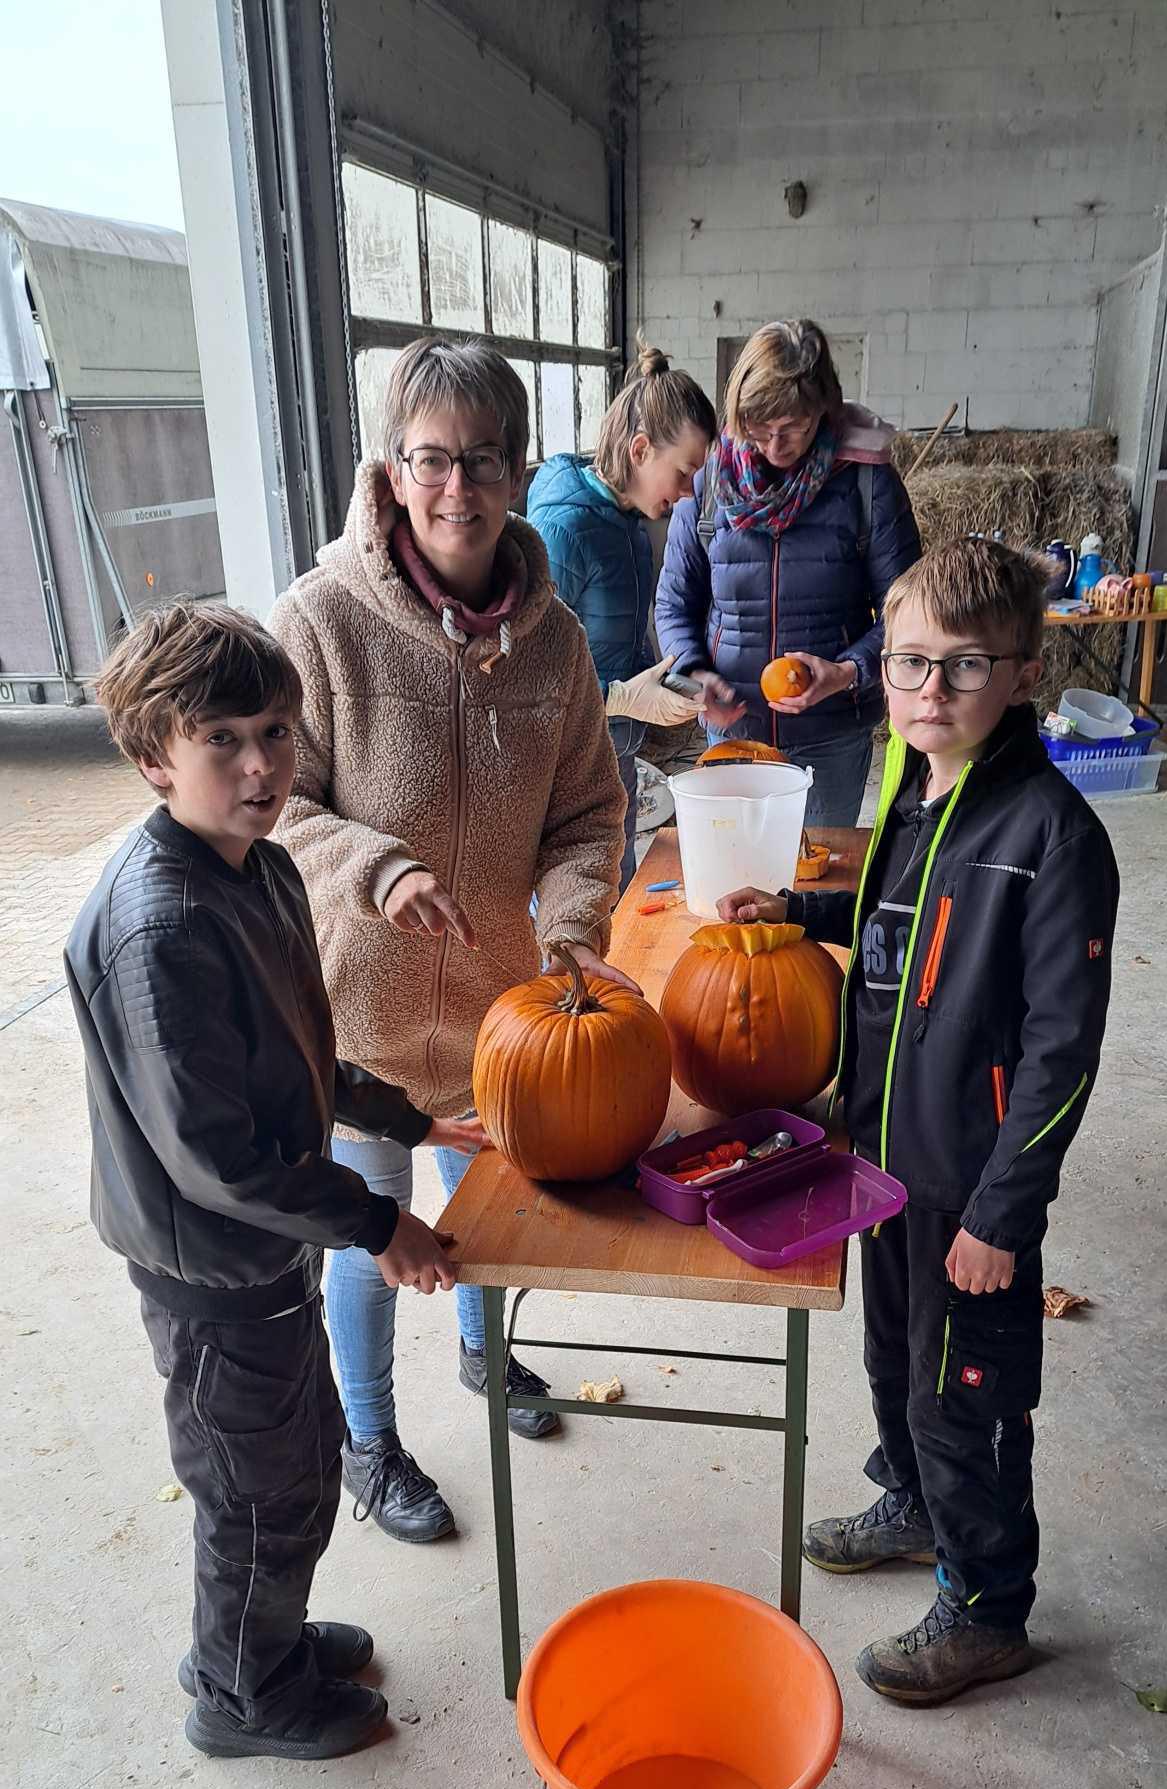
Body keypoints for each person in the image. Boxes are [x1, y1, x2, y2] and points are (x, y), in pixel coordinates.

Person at [716, 540, 1119, 1705]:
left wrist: (1004, 1213)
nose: (929, 691)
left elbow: (1062, 1051)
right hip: (887, 1160)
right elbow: (898, 913)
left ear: (1025, 674)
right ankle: (910, 1500)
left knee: (970, 1397)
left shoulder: (1053, 839)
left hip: (972, 1187)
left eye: (962, 667)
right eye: (907, 665)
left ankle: (988, 1605)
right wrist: (799, 910)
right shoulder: (911, 786)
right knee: (894, 1359)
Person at [64, 602, 468, 1761]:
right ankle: (242, 1697)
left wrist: (404, 1114)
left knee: (289, 1464)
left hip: (261, 1252)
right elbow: (218, 1156)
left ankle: (258, 1641)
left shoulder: (260, 868)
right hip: (211, 1270)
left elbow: (297, 1050)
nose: (261, 765)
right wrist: (376, 1221)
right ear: (154, 759)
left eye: (278, 732)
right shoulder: (165, 926)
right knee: (258, 1492)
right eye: (225, 741)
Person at [270, 339, 628, 1547]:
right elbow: (277, 801)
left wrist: (572, 930)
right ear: (392, 468)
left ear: (519, 471)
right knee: (371, 1243)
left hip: (494, 1010)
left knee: (485, 1206)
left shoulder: (557, 643)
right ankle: (369, 1440)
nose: (455, 487)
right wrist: (380, 867)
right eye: (430, 459)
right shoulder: (319, 623)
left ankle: (489, 1354)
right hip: (355, 1016)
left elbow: (589, 812)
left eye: (480, 459)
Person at [655, 318, 922, 829]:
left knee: (817, 881)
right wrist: (693, 673)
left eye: (794, 428)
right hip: (735, 734)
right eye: (759, 428)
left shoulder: (867, 485)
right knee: (738, 877)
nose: (775, 446)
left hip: (832, 733)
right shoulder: (710, 482)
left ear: (824, 410)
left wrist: (847, 672)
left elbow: (911, 614)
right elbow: (673, 603)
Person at [527, 338, 717, 892]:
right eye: (683, 474)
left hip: (615, 754)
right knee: (570, 911)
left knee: (616, 893)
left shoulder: (630, 524)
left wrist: (672, 685)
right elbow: (530, 673)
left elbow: (616, 644)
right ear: (639, 450)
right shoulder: (564, 532)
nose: (687, 495)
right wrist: (621, 696)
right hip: (564, 771)